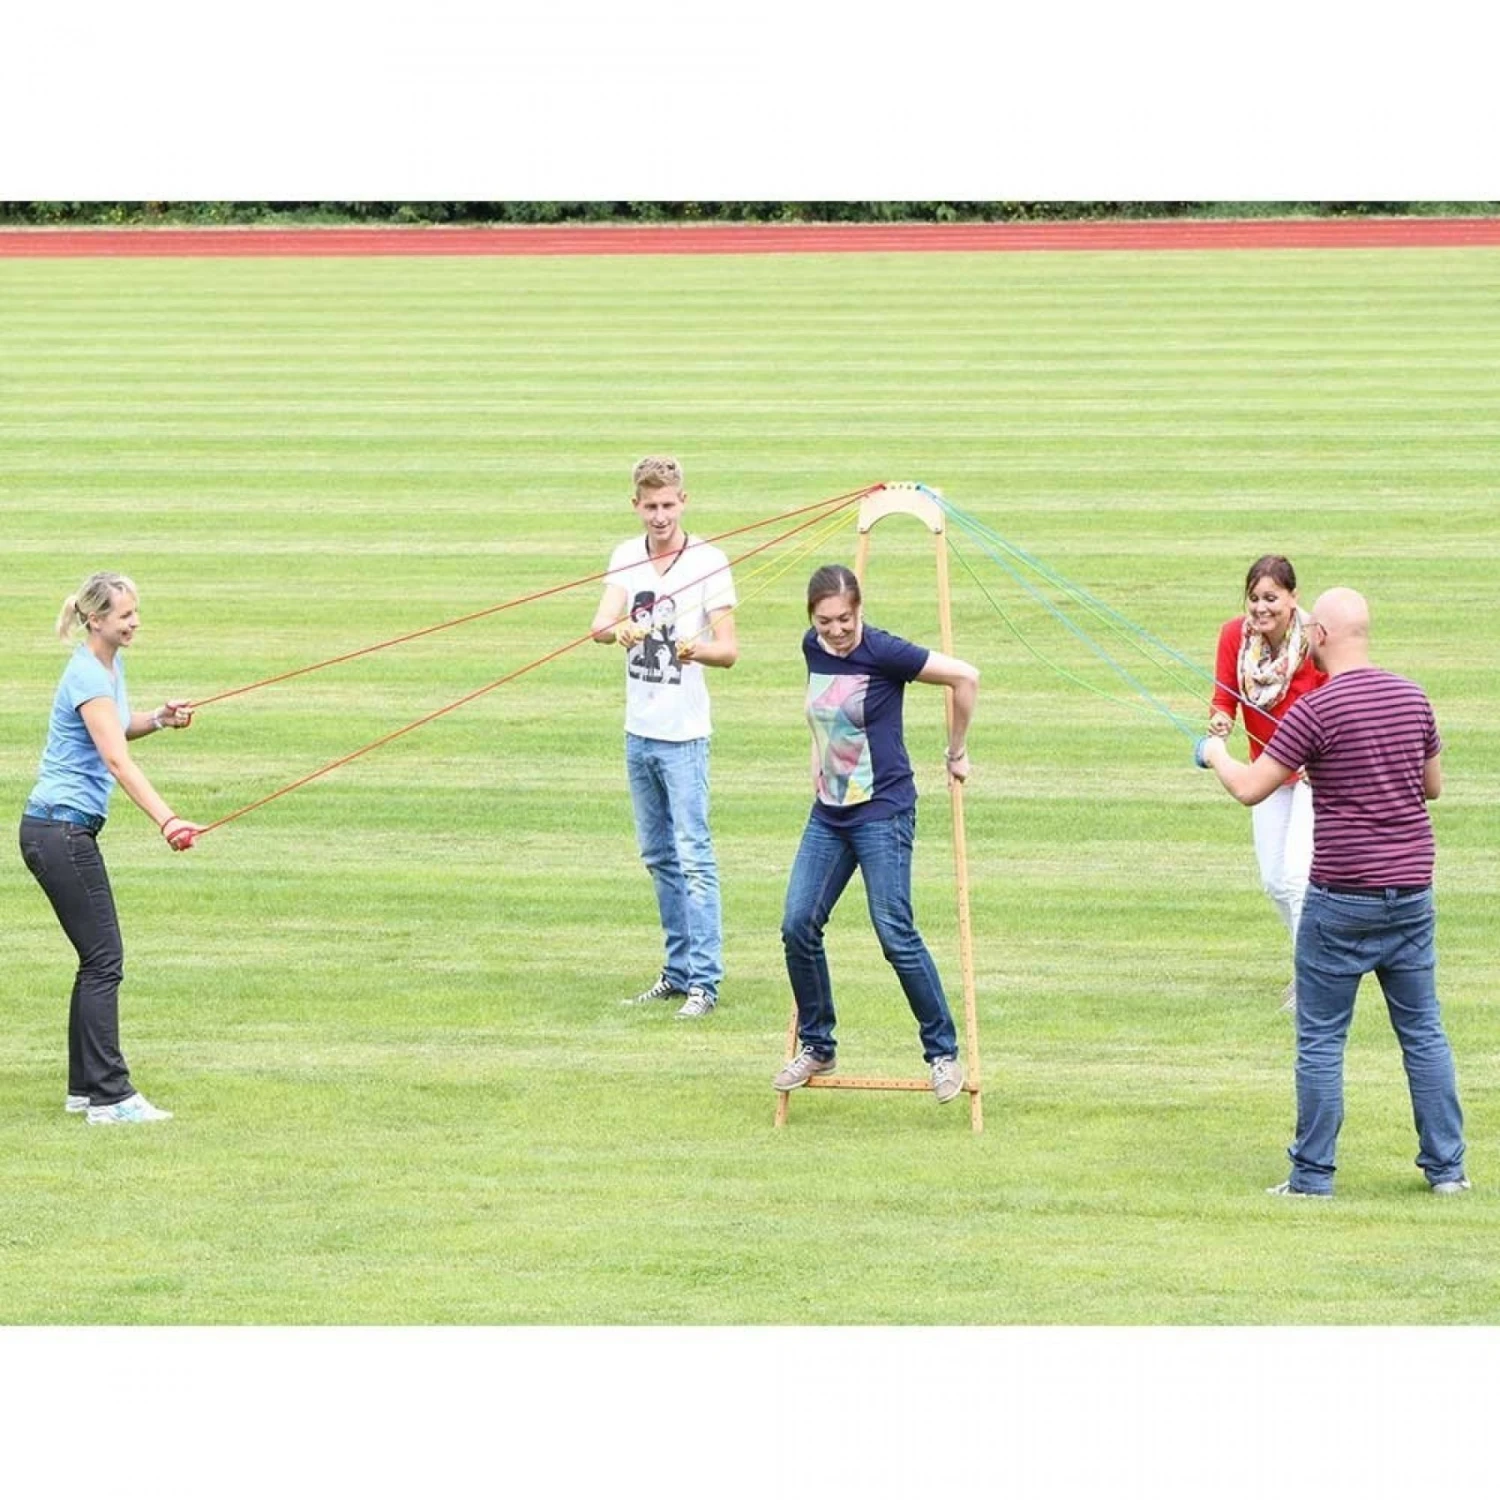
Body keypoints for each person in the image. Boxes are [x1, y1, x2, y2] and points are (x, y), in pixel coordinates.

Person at [1196, 587, 1468, 1197]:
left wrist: (1214, 753)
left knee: (1321, 1040)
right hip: (1411, 892)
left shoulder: (1315, 709)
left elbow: (1251, 787)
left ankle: (1312, 1176)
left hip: (1341, 896)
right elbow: (1432, 786)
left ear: (1318, 635)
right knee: (1423, 1032)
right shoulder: (1413, 697)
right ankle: (1447, 1171)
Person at [773, 564, 979, 1103]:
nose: (836, 630)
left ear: (859, 609)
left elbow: (966, 677)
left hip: (883, 811)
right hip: (829, 813)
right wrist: (819, 761)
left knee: (893, 931)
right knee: (797, 925)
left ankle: (942, 1054)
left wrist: (956, 751)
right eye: (824, 621)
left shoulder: (885, 651)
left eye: (844, 618)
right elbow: (824, 716)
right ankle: (818, 1045)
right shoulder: (812, 648)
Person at [19, 572, 203, 1125]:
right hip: (61, 832)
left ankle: (85, 1089)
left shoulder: (105, 667)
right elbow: (117, 762)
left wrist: (159, 720)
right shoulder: (87, 676)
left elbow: (116, 728)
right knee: (104, 960)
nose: (135, 622)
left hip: (57, 831)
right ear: (96, 619)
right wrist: (168, 820)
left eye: (135, 612)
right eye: (125, 615)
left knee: (94, 959)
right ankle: (110, 1097)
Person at [590, 456, 738, 1019]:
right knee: (658, 856)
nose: (659, 515)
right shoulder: (626, 557)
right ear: (636, 505)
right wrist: (619, 632)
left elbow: (729, 650)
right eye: (650, 506)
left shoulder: (709, 561)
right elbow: (599, 626)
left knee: (694, 856)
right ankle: (676, 974)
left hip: (684, 735)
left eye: (668, 505)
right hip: (639, 731)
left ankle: (705, 980)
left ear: (683, 501)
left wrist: (694, 649)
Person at [1207, 555, 1326, 1012]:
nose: (1261, 608)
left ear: (1293, 597)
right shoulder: (1233, 636)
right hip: (1267, 770)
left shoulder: (1316, 639)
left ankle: (1310, 980)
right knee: (1274, 882)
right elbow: (1224, 697)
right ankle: (1318, 963)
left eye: (1272, 598)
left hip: (1314, 771)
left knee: (1298, 877)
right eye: (1254, 598)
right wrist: (1220, 721)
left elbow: (1333, 698)